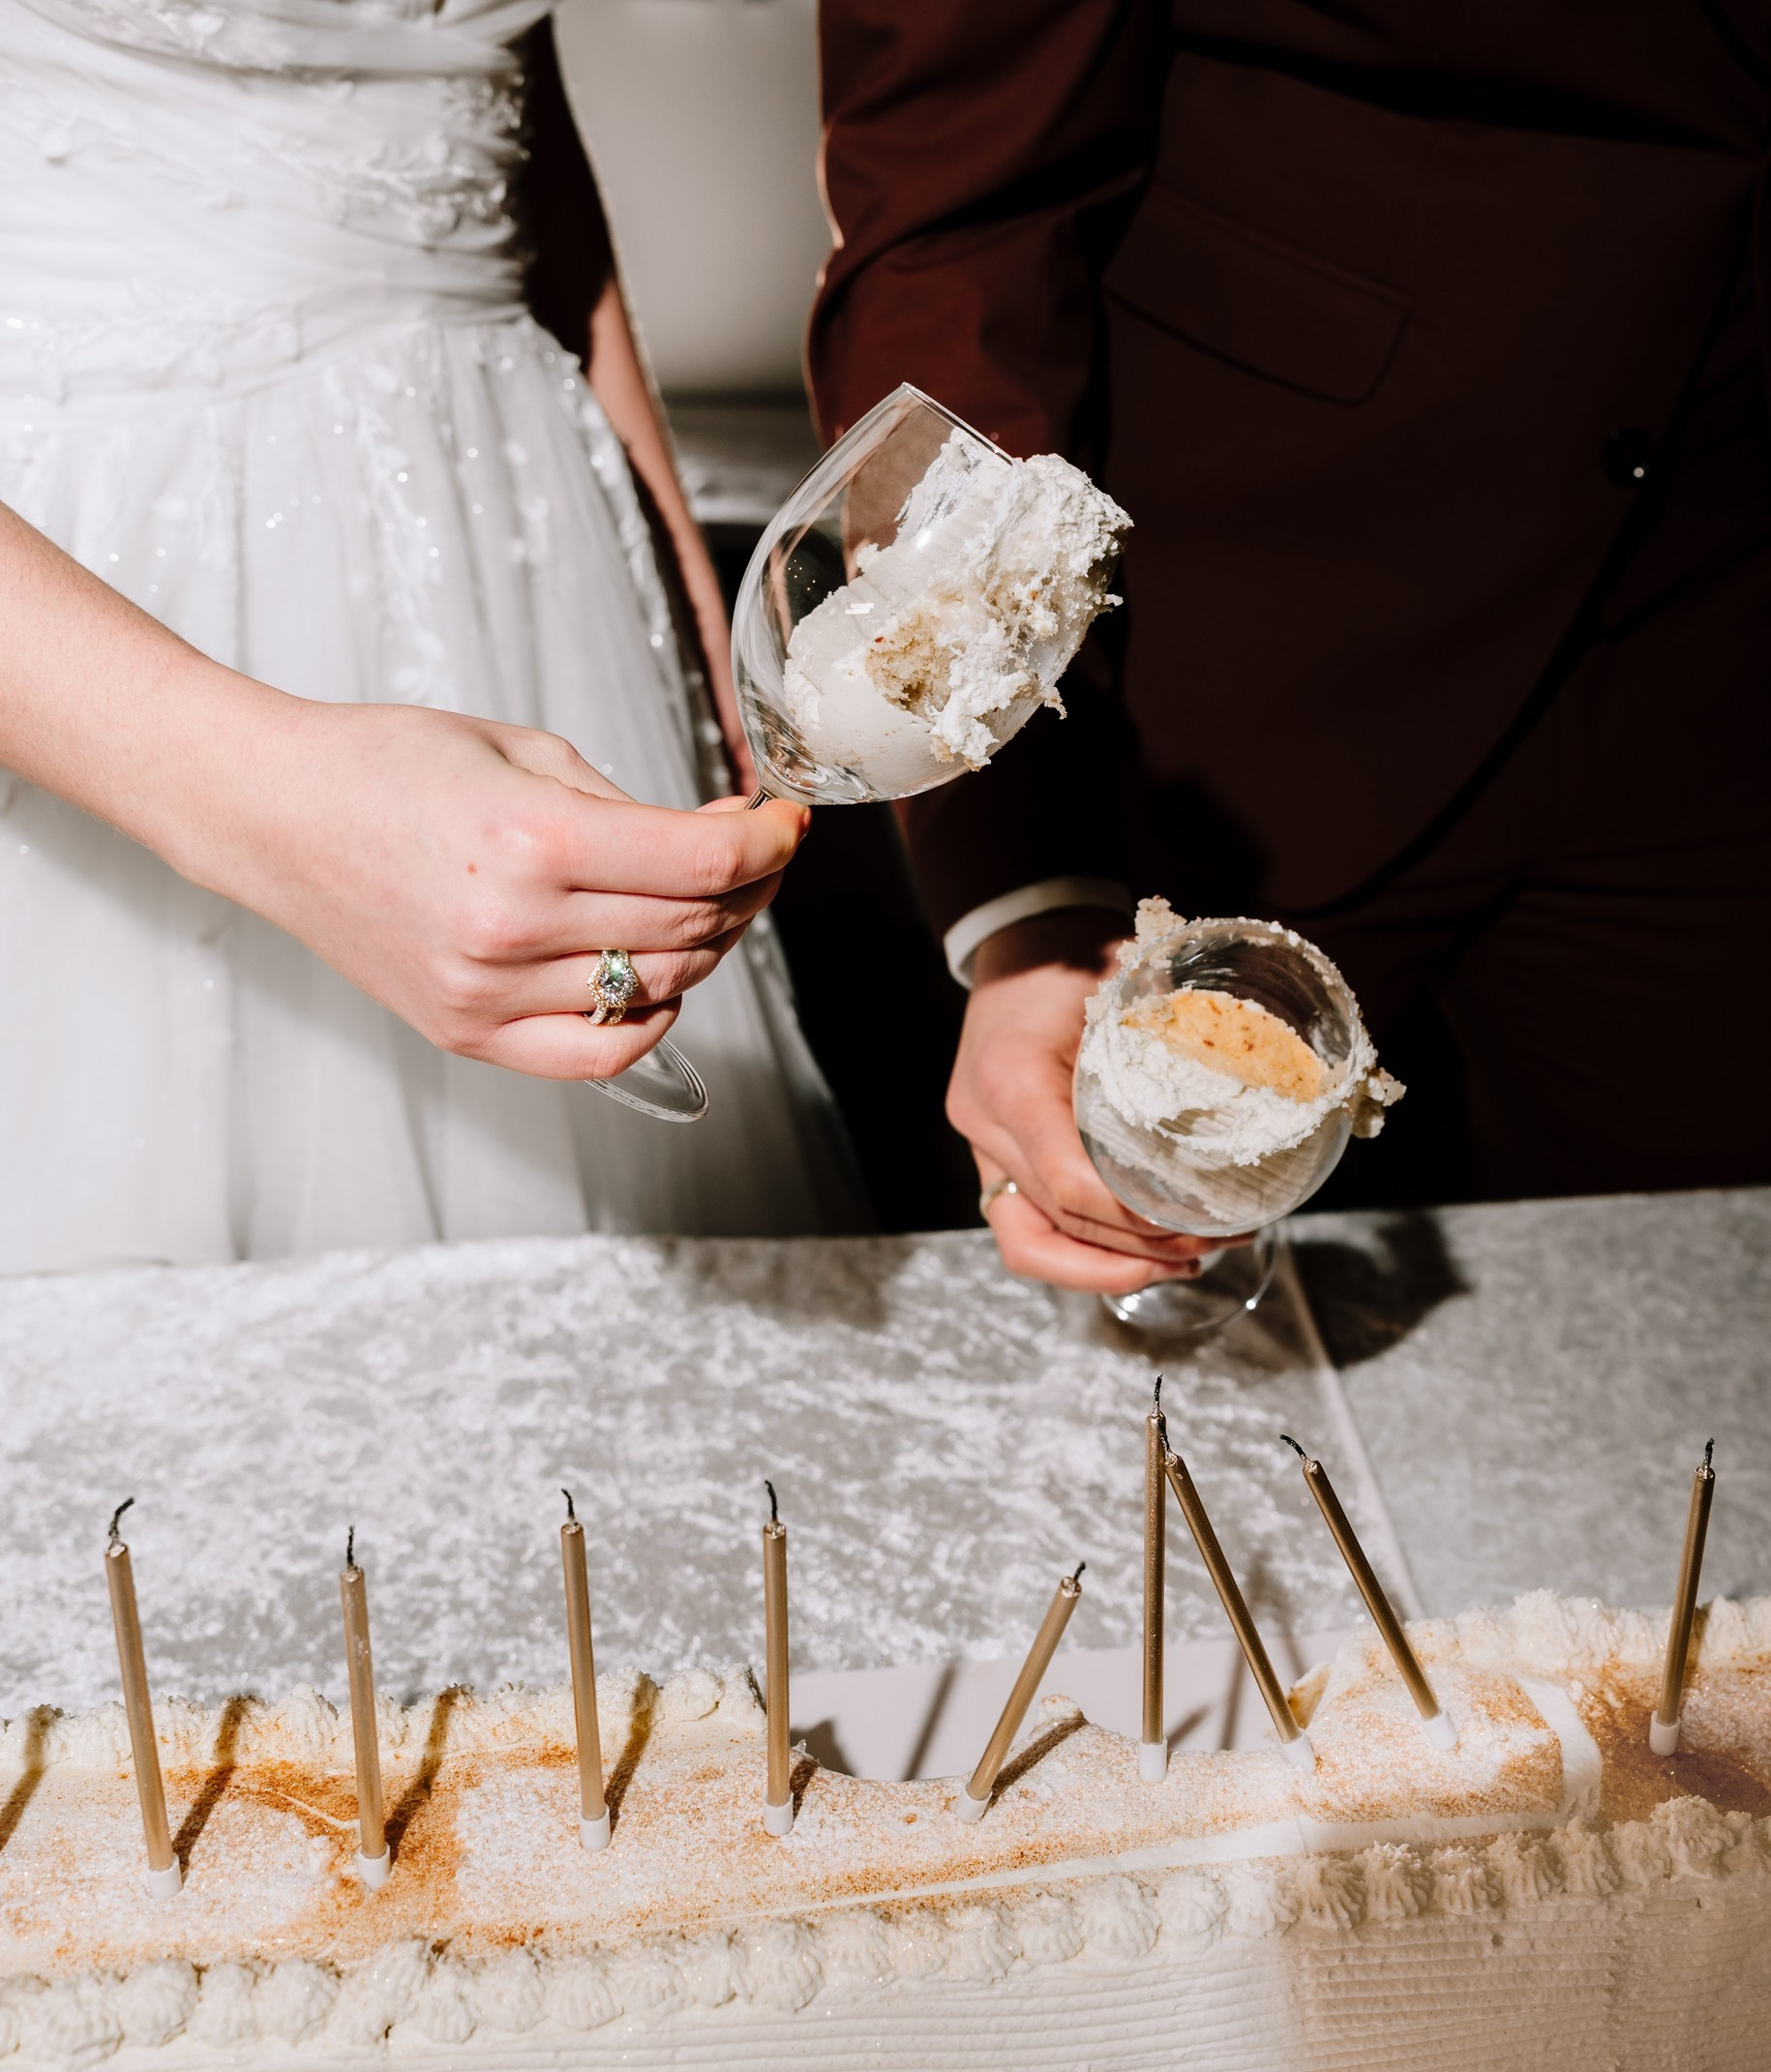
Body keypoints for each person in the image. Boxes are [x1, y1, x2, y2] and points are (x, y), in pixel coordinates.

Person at [810, 0, 1771, 1294]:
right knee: (1154, 1343)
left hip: (1721, 673)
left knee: (1692, 1351)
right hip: (1227, 656)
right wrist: (1025, 888)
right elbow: (956, 204)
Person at [0, 1, 859, 1274]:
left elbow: (504, 118)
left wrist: (670, 563)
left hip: (519, 519)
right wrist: (263, 799)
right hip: (109, 551)